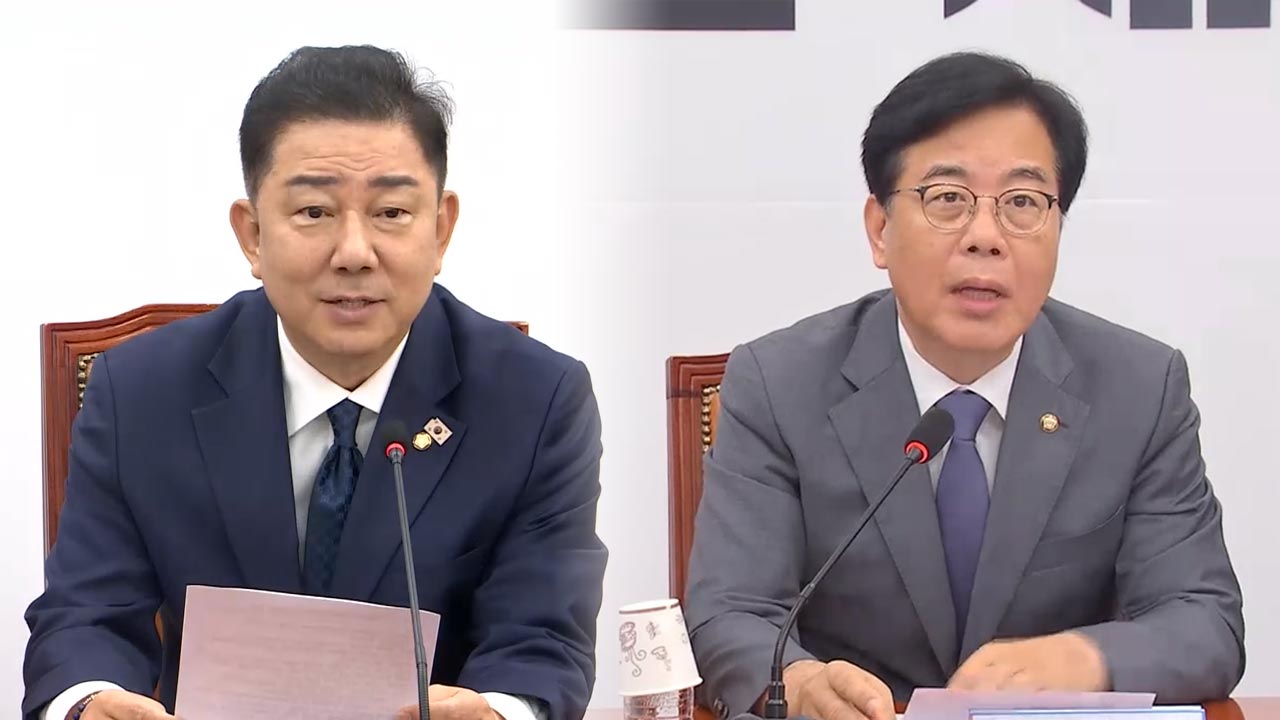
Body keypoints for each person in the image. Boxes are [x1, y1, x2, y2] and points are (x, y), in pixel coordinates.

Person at [22, 45, 607, 720]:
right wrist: (87, 701)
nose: (354, 253)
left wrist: (500, 711)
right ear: (252, 234)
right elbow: (85, 616)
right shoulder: (141, 392)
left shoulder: (535, 402)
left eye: (391, 213)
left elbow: (541, 637)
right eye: (314, 212)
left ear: (441, 229)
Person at [684, 51, 1244, 720]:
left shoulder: (1140, 388)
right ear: (880, 230)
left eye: (1023, 203)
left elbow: (1203, 620)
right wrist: (801, 683)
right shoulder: (778, 384)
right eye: (947, 199)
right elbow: (732, 613)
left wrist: (1084, 660)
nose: (986, 237)